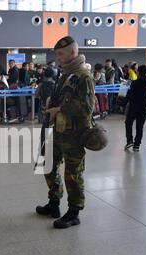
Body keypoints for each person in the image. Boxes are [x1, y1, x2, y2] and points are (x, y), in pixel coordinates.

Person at [35, 36, 95, 229]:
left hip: (75, 134)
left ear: (72, 53)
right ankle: (54, 203)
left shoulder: (84, 76)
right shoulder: (65, 74)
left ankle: (74, 212)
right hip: (59, 131)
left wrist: (59, 110)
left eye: (61, 53)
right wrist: (51, 104)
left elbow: (86, 108)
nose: (58, 57)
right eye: (57, 54)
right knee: (48, 165)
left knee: (73, 173)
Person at [124, 65, 146, 152]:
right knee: (140, 126)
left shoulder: (135, 82)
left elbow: (130, 94)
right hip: (144, 106)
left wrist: (123, 102)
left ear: (138, 72)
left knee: (128, 122)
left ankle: (129, 141)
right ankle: (137, 145)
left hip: (134, 106)